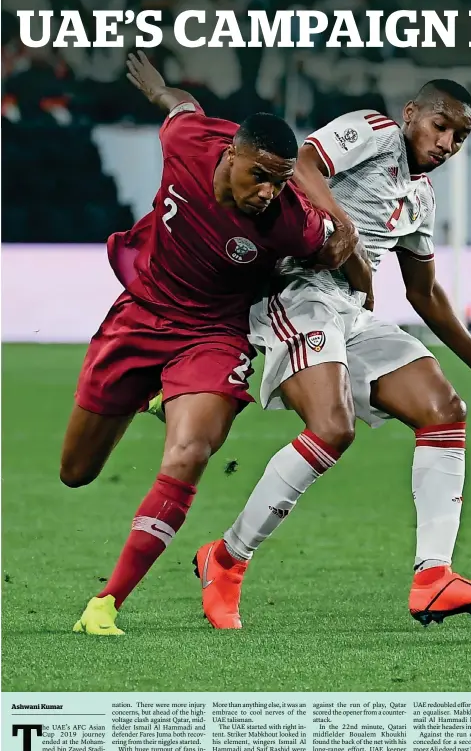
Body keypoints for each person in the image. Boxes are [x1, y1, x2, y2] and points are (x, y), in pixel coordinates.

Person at [188, 80, 471, 629]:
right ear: (411, 115)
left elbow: (424, 294)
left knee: (445, 411)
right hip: (296, 293)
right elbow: (304, 163)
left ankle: (433, 578)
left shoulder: (421, 198)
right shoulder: (374, 132)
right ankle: (226, 560)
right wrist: (345, 227)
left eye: (461, 136)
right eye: (440, 126)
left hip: (349, 309)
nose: (447, 143)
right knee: (332, 428)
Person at [65, 51, 357, 636]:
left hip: (214, 335)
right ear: (231, 155)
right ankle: (152, 394)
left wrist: (346, 242)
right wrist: (159, 91)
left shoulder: (289, 222)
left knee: (191, 452)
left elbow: (339, 245)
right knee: (76, 471)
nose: (267, 193)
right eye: (259, 177)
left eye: (280, 181)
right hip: (141, 317)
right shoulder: (190, 142)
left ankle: (106, 604)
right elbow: (182, 108)